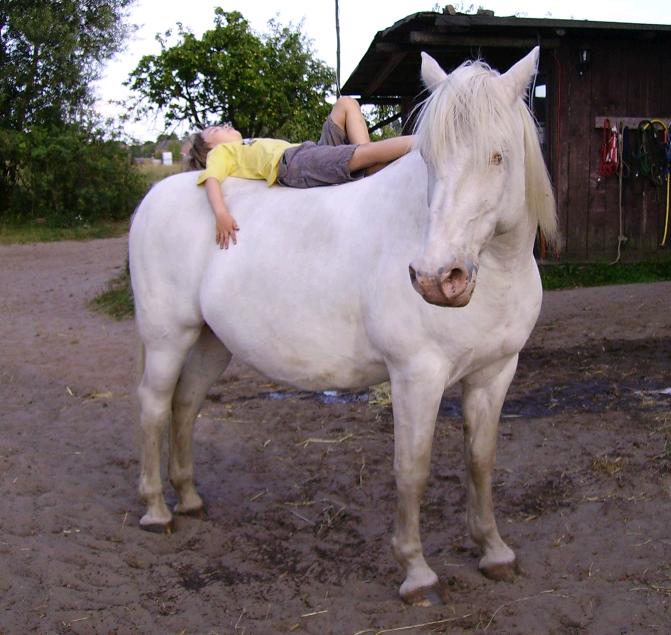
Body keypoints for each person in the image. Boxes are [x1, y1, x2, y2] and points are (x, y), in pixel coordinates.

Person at [188, 97, 414, 248]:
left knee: (346, 103)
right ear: (210, 148)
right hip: (292, 164)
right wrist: (221, 214)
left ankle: (367, 165)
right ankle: (422, 141)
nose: (225, 126)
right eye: (216, 130)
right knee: (364, 154)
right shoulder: (221, 153)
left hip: (307, 151)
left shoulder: (243, 143)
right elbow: (212, 180)